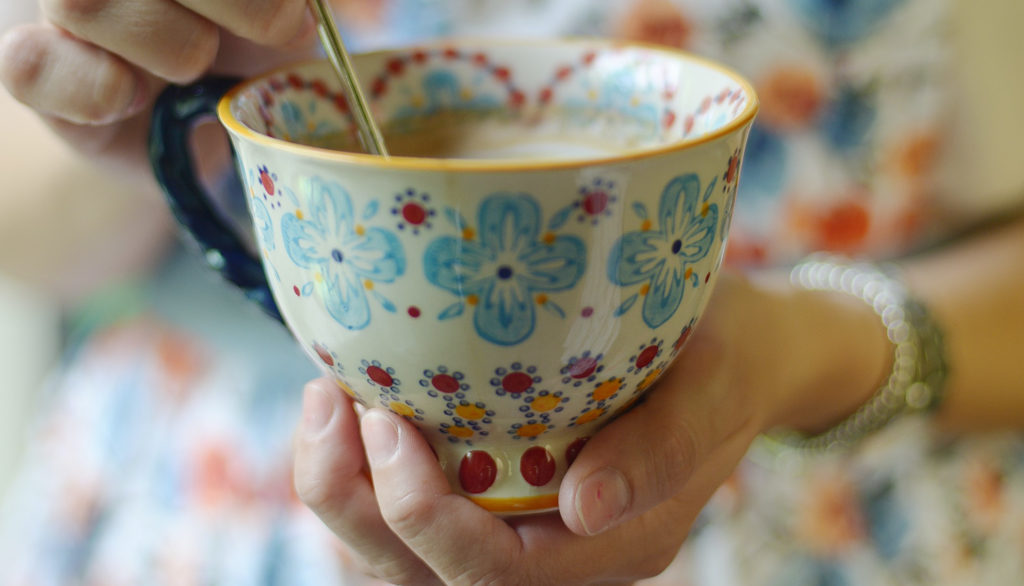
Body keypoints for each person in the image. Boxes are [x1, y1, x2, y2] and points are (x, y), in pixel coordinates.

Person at [1, 0, 1023, 584]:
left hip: (845, 522)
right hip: (201, 522)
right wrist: (132, 119)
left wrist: (821, 343)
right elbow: (24, 219)